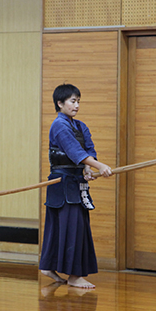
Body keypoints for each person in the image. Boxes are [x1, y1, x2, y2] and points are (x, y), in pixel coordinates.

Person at [39, 84, 113, 288]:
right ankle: (73, 276)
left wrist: (88, 169)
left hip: (76, 183)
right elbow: (74, 152)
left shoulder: (80, 126)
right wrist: (100, 166)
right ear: (59, 103)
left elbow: (88, 149)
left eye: (78, 101)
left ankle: (48, 266)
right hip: (62, 184)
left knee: (70, 227)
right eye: (72, 101)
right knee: (71, 228)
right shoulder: (59, 125)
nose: (77, 105)